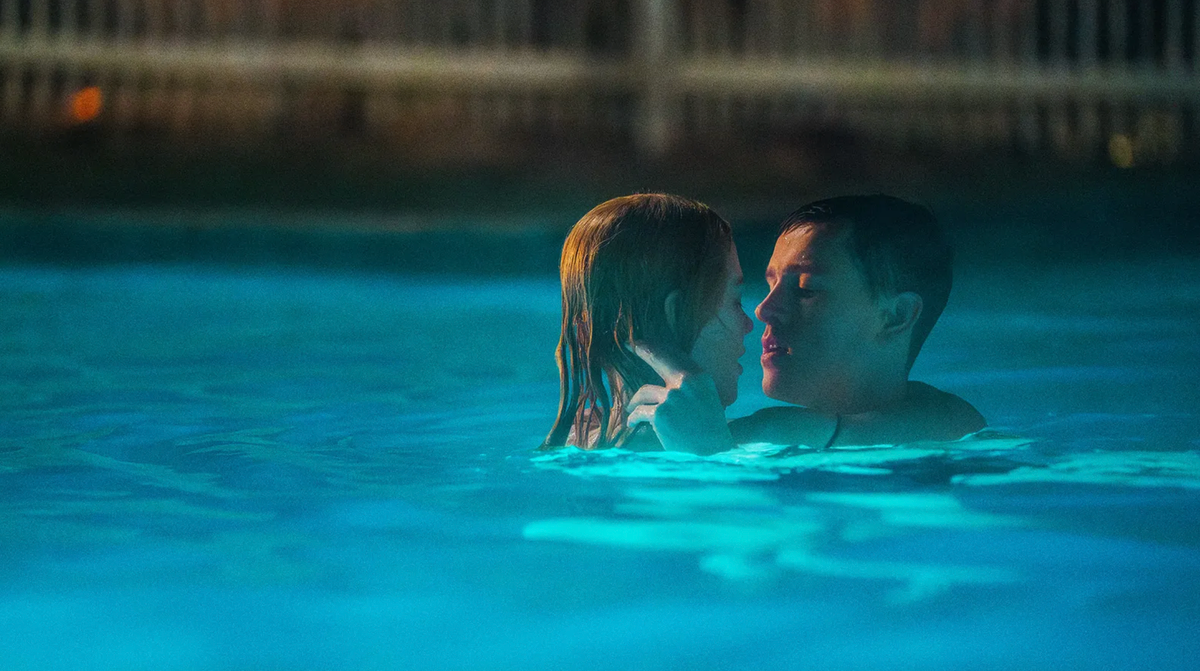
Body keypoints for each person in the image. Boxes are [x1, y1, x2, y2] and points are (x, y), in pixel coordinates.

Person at [729, 195, 986, 446]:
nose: (764, 309)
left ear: (896, 316)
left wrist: (769, 429)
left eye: (806, 289)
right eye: (771, 286)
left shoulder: (951, 430)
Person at [541, 193, 752, 452]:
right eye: (736, 301)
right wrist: (709, 451)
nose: (749, 324)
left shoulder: (573, 444)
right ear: (673, 315)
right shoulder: (778, 436)